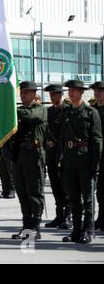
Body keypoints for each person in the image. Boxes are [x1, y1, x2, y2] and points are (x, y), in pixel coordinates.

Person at [61, 80, 102, 244]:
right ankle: (76, 229)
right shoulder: (66, 113)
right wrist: (61, 160)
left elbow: (97, 141)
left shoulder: (91, 113)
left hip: (85, 161)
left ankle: (88, 229)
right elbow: (63, 139)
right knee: (73, 198)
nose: (71, 93)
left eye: (74, 91)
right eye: (70, 90)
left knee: (87, 199)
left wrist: (95, 164)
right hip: (70, 161)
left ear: (81, 92)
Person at [11, 81, 47, 241]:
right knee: (22, 193)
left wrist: (12, 110)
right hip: (19, 157)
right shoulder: (17, 111)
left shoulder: (40, 110)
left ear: (33, 94)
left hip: (34, 157)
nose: (24, 95)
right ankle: (26, 226)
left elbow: (31, 117)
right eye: (22, 92)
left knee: (35, 193)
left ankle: (36, 227)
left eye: (27, 92)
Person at [43, 84, 71, 229]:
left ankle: (67, 216)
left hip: (65, 154)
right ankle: (59, 215)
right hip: (51, 154)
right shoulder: (48, 112)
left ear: (61, 95)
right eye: (52, 95)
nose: (54, 97)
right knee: (55, 186)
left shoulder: (67, 111)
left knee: (65, 187)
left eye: (56, 94)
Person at [90, 81, 104, 232]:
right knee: (98, 190)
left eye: (100, 91)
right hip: (94, 154)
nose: (97, 93)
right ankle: (100, 218)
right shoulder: (92, 111)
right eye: (96, 91)